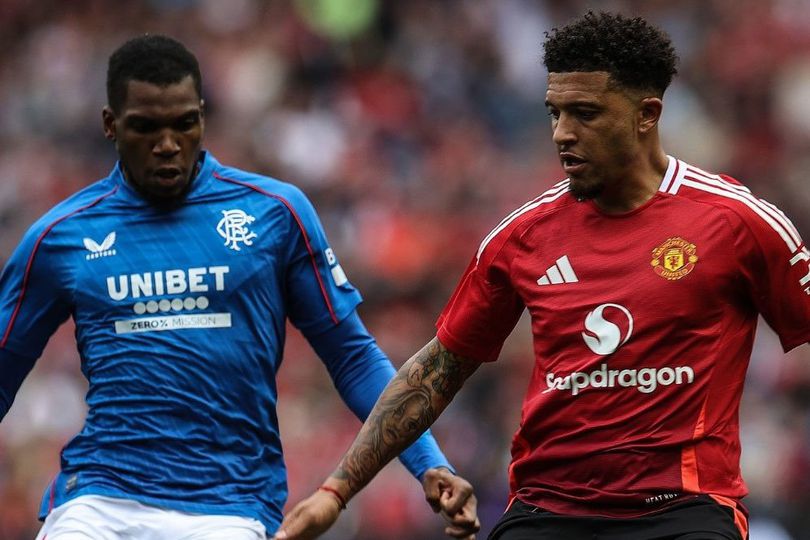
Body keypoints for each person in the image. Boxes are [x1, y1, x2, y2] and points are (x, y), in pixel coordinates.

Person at [273, 11, 810, 540]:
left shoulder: (737, 221)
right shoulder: (522, 236)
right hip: (547, 509)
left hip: (683, 511)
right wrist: (336, 491)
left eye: (585, 114)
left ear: (647, 115)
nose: (562, 134)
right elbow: (436, 371)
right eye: (554, 113)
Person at [0, 34, 479, 540]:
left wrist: (429, 462)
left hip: (229, 506)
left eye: (184, 123)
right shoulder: (61, 236)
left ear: (203, 117)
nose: (168, 144)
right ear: (110, 124)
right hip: (99, 500)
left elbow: (352, 356)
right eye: (146, 127)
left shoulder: (274, 214)